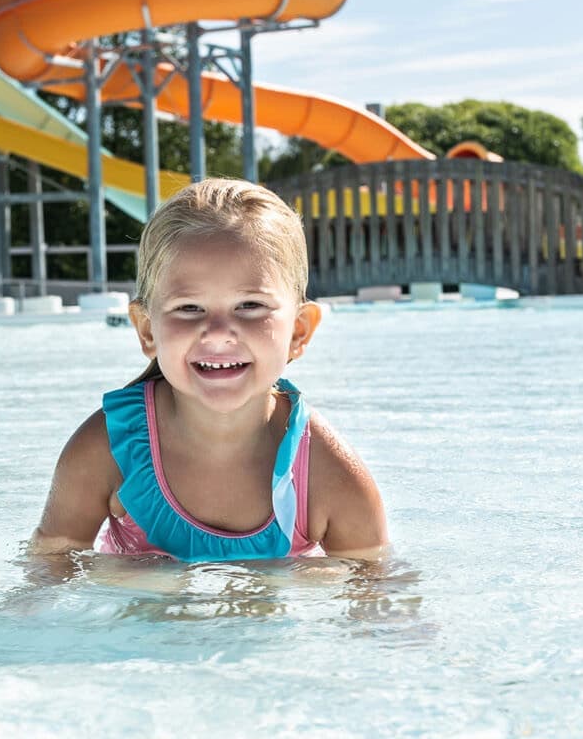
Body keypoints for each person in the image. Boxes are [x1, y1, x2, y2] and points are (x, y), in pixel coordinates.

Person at [30, 179, 388, 563]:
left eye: (250, 305)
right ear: (147, 330)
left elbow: (380, 598)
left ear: (299, 331)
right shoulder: (108, 449)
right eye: (189, 308)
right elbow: (46, 574)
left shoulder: (326, 474)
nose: (218, 333)